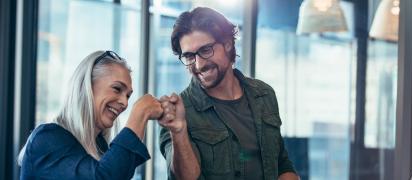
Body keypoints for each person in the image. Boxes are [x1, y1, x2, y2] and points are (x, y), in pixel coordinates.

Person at [159, 7, 299, 180]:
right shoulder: (178, 113)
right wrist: (178, 131)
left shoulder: (264, 94)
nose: (199, 64)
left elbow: (281, 163)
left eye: (206, 50)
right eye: (189, 56)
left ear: (228, 43)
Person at [18, 51, 177, 179]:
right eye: (117, 89)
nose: (125, 102)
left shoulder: (99, 145)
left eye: (128, 96)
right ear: (86, 87)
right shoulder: (47, 138)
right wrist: (140, 113)